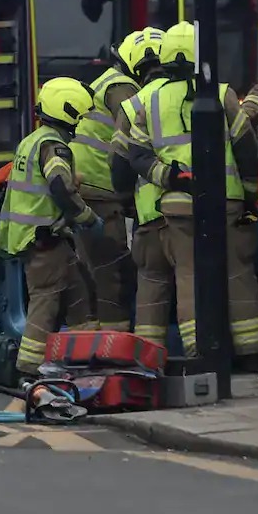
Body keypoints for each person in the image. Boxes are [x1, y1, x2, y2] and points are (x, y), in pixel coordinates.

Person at [122, 22, 258, 364]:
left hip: (177, 207)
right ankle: (252, 349)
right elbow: (246, 148)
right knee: (237, 272)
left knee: (188, 274)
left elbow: (137, 156)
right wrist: (251, 195)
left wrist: (171, 179)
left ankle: (195, 351)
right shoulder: (222, 94)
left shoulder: (148, 101)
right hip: (227, 201)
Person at [0, 77, 104, 377]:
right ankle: (29, 368)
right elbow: (59, 186)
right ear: (67, 110)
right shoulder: (53, 146)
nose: (80, 122)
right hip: (45, 241)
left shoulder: (33, 141)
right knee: (45, 302)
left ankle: (85, 357)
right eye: (79, 115)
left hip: (47, 241)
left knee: (80, 293)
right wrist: (88, 218)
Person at [69, 33, 146, 333]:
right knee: (110, 272)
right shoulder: (122, 89)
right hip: (100, 187)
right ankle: (113, 342)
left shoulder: (106, 82)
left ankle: (94, 336)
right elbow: (135, 138)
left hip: (87, 184)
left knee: (96, 268)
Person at [110, 28, 174, 345]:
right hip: (194, 212)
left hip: (149, 216)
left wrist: (126, 202)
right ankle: (201, 354)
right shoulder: (193, 95)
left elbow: (120, 165)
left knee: (151, 286)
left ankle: (150, 356)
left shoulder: (133, 105)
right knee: (193, 281)